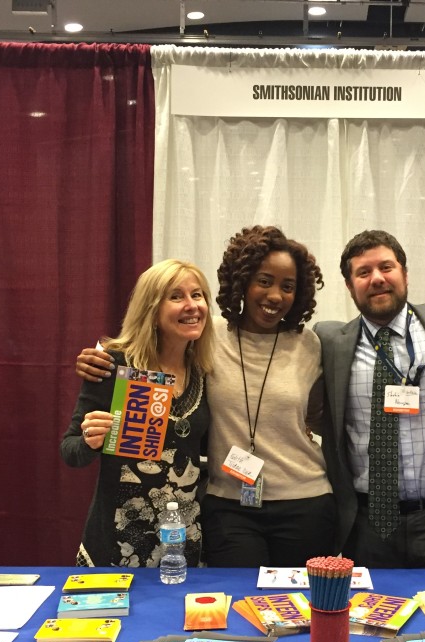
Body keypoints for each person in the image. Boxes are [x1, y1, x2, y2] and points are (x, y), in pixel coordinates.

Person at [75, 226, 335, 566]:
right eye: (264, 281)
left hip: (306, 500)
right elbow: (152, 349)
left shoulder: (310, 344)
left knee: (300, 599)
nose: (275, 295)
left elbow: (320, 414)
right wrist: (102, 360)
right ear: (242, 281)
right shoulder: (206, 335)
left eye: (288, 287)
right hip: (229, 504)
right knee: (238, 597)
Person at [315, 230, 425, 568]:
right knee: (369, 606)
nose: (377, 279)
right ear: (349, 286)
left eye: (386, 267)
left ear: (405, 274)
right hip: (368, 529)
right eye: (363, 272)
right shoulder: (329, 341)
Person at [60, 259, 215, 568]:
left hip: (182, 544)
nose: (191, 305)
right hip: (117, 544)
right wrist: (91, 440)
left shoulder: (205, 370)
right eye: (176, 296)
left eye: (197, 295)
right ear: (151, 309)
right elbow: (70, 450)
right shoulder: (114, 364)